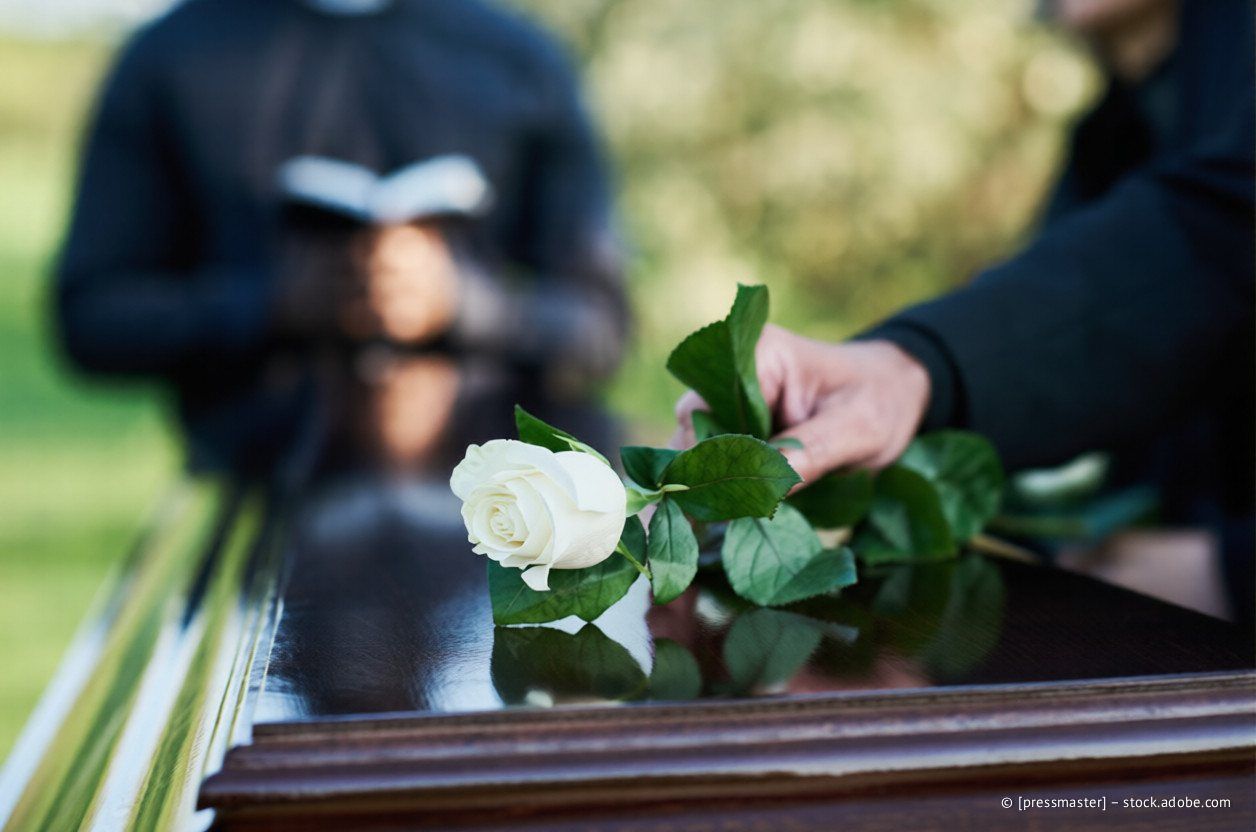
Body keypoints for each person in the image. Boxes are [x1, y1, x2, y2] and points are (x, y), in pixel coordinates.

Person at [675, 0, 1254, 620]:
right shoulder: (1107, 138)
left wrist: (1234, 571)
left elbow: (1222, 232)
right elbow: (1179, 268)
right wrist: (907, 371)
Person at [55, 0, 626, 473]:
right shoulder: (171, 55)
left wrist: (459, 303)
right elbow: (91, 317)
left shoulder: (519, 57)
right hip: (255, 485)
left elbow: (598, 326)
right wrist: (274, 304)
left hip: (488, 495)